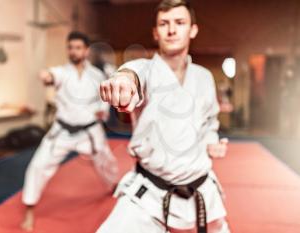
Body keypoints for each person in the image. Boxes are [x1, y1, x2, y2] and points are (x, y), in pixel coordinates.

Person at [97, 1, 230, 232]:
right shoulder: (144, 68)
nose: (171, 30)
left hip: (202, 190)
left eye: (179, 23)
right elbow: (132, 75)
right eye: (163, 24)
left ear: (193, 29)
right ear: (155, 32)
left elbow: (209, 121)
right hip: (149, 195)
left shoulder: (204, 77)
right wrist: (124, 82)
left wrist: (211, 141)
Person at [21, 31, 118, 231]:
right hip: (62, 131)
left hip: (89, 131)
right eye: (70, 47)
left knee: (106, 162)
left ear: (86, 50)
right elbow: (51, 77)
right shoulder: (61, 72)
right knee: (38, 166)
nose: (73, 51)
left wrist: (103, 111)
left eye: (78, 48)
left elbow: (104, 99)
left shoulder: (97, 75)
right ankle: (29, 210)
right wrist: (46, 76)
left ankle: (115, 188)